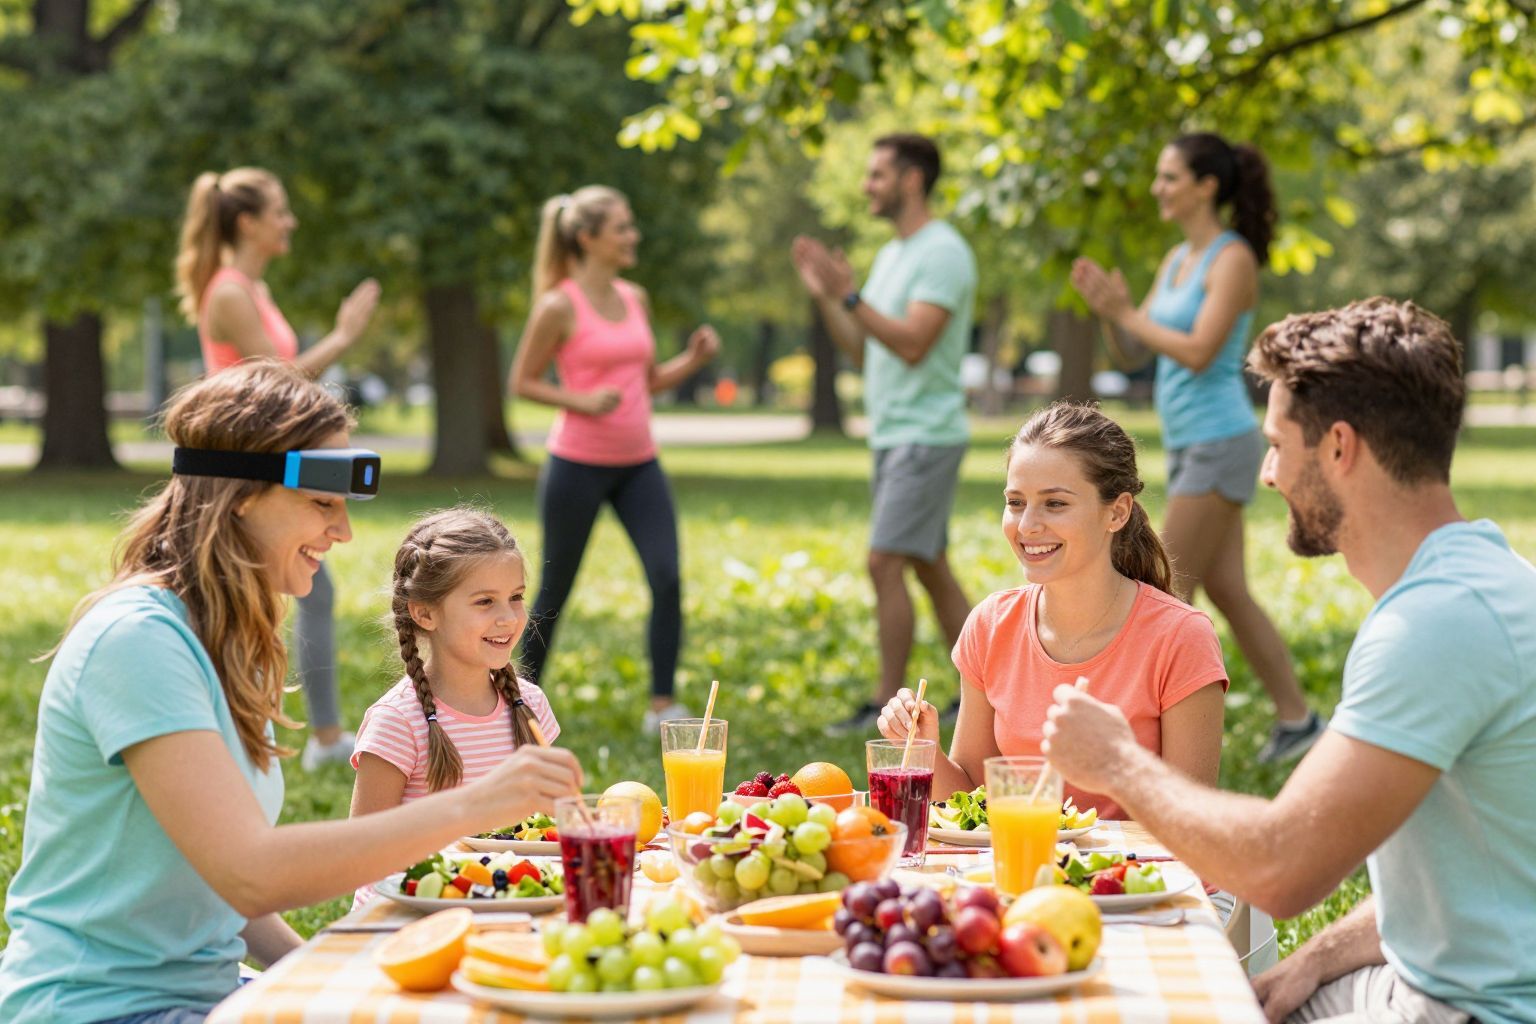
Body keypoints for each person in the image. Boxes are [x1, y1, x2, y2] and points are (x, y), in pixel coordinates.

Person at [0, 361, 584, 1023]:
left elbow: (227, 900)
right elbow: (250, 872)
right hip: (97, 1008)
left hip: (205, 993)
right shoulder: (139, 643)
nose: (343, 532)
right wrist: (473, 806)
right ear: (244, 496)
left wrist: (334, 973)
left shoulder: (226, 643)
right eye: (320, 503)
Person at [1041, 299, 1536, 1024]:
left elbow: (1280, 868)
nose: (1267, 473)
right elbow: (1463, 880)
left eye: (1277, 443)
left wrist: (1116, 762)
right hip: (1426, 980)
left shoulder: (1438, 624)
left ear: (1339, 447)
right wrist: (1314, 959)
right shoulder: (1474, 580)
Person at [1069, 133, 1321, 763]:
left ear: (1206, 186)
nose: (1158, 187)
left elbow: (1201, 349)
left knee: (1161, 591)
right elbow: (1133, 351)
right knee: (1228, 589)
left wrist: (1129, 315)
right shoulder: (1178, 258)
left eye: (1170, 176)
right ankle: (1299, 719)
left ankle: (1140, 740)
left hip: (1220, 439)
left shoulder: (1231, 258)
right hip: (1189, 444)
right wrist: (1110, 312)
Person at [876, 402, 1226, 816]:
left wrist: (1113, 765)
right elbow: (972, 799)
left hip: (1136, 878)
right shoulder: (991, 625)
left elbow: (1194, 818)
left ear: (1117, 511)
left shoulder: (1181, 637)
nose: (1027, 526)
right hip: (1020, 871)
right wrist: (923, 752)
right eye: (1016, 502)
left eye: (1055, 504)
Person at [175, 166, 383, 770]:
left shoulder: (252, 289)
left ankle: (301, 734)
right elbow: (277, 384)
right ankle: (304, 736)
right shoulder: (231, 291)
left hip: (266, 466)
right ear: (248, 222)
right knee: (249, 594)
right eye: (280, 211)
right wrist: (343, 336)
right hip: (241, 476)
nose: (289, 221)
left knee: (297, 592)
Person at [508, 186, 719, 730]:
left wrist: (691, 361)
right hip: (576, 464)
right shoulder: (558, 304)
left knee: (667, 575)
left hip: (639, 463)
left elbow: (645, 381)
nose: (633, 236)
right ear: (587, 237)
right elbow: (522, 381)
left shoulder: (635, 297)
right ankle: (518, 705)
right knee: (555, 588)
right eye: (622, 227)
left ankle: (662, 704)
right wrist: (577, 399)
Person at [792, 133, 975, 733]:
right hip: (895, 433)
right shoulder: (895, 253)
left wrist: (851, 294)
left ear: (912, 179)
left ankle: (883, 704)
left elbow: (915, 343)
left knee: (883, 562)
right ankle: (987, 686)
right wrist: (830, 300)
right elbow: (863, 343)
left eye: (877, 175)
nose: (868, 185)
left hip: (926, 434)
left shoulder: (942, 252)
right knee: (928, 566)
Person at [349, 507, 561, 904]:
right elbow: (361, 853)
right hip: (411, 921)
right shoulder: (398, 721)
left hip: (509, 911)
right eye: (485, 602)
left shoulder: (530, 705)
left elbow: (546, 832)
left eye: (515, 597)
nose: (507, 618)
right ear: (425, 613)